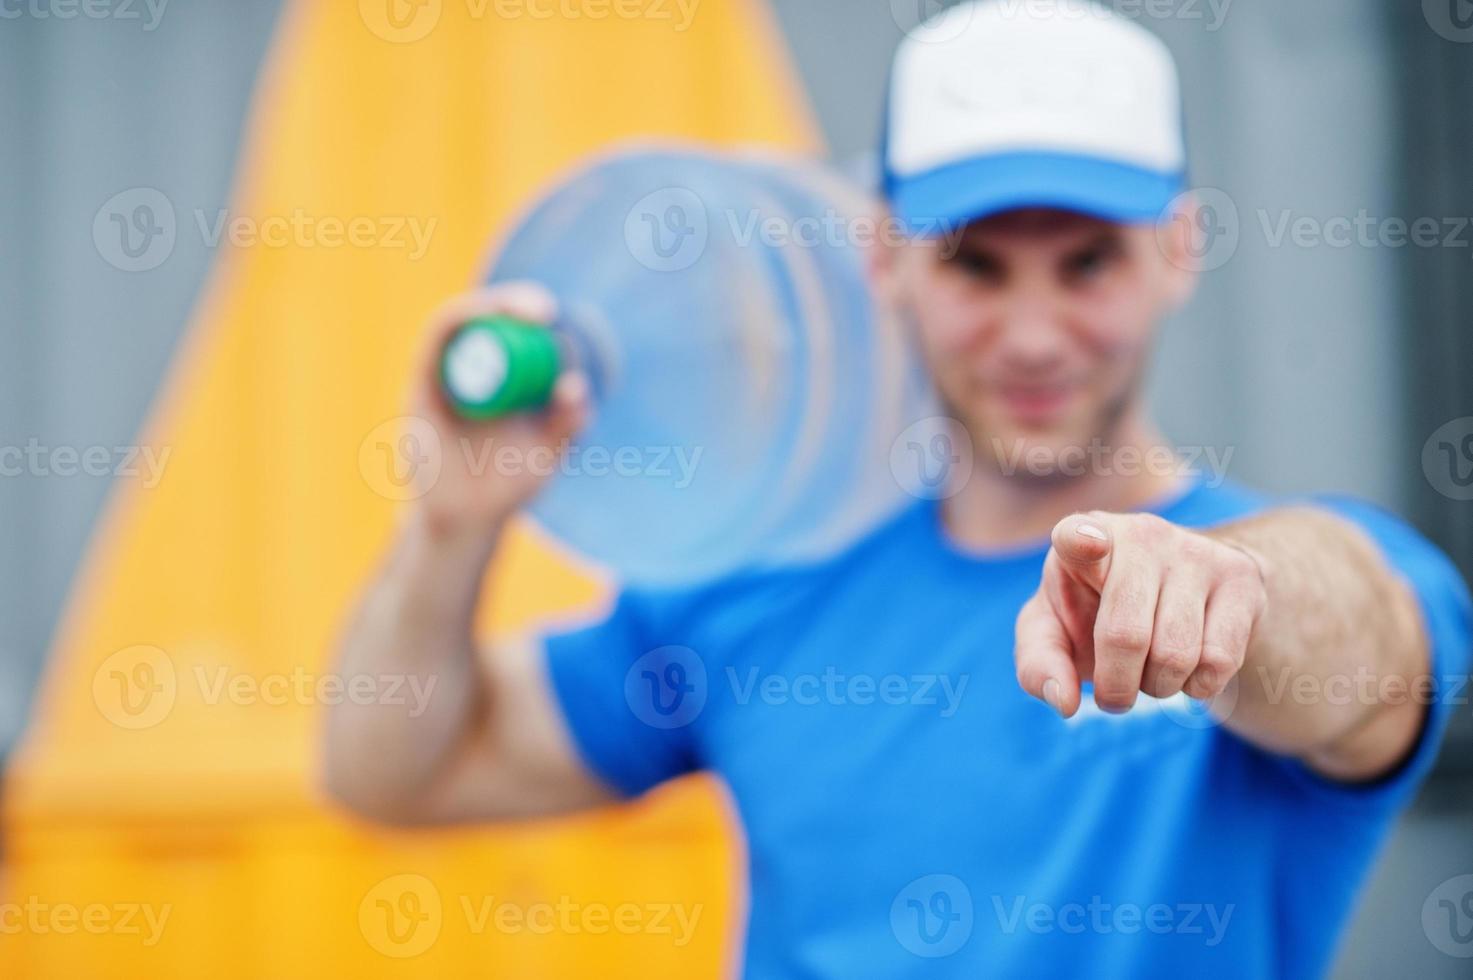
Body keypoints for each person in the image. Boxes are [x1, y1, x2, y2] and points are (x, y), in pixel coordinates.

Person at [323, 2, 1471, 976]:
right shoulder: (766, 579)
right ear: (883, 257)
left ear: (1178, 252)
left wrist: (1232, 600)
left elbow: (1358, 633)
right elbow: (397, 770)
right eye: (975, 262)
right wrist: (449, 524)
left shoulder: (1278, 572)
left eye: (1087, 263)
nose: (1032, 335)